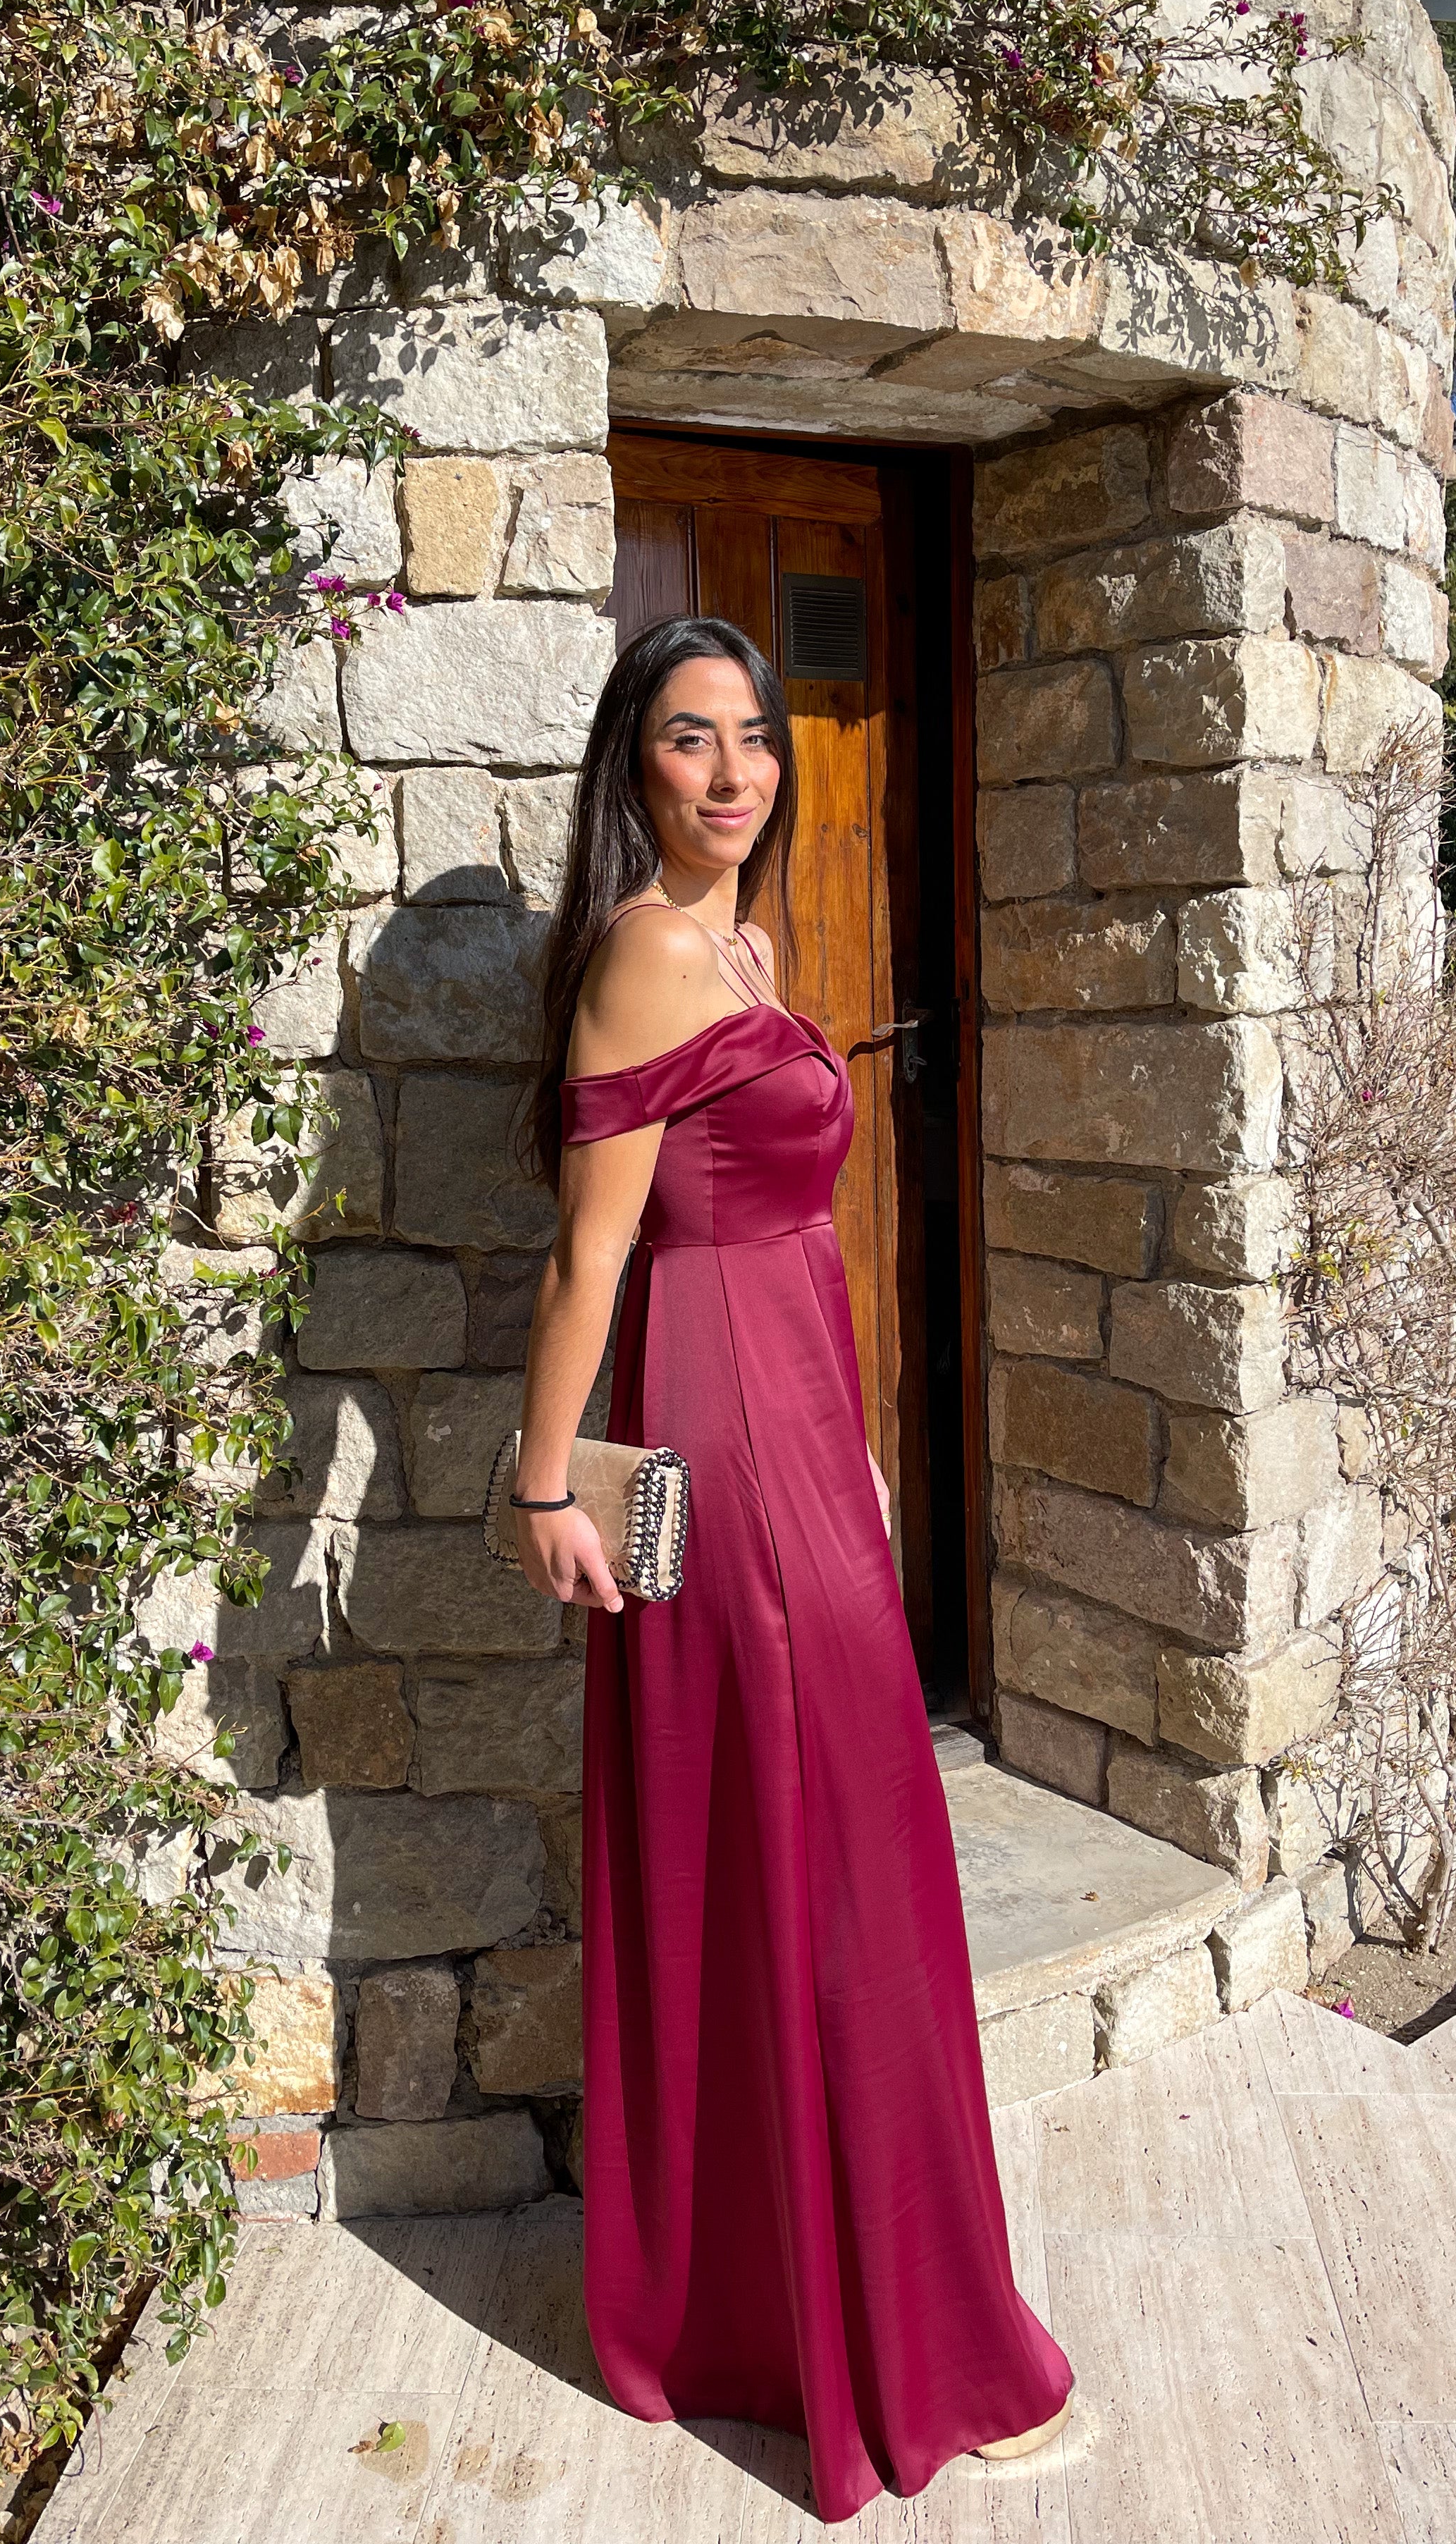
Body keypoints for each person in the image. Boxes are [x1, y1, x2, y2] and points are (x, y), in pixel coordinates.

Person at [509, 613, 1074, 2521]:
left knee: (820, 1849)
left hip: (792, 1426)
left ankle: (825, 2304)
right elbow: (596, 1253)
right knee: (823, 1858)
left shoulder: (741, 939)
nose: (735, 772)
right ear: (634, 764)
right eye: (691, 740)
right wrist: (540, 1490)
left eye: (756, 737)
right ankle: (874, 2339)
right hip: (714, 1448)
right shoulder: (645, 955)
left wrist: (856, 1465)